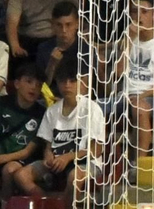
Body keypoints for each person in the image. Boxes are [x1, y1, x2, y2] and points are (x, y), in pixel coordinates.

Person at [31, 59, 106, 199]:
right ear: (58, 83)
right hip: (57, 161)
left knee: (74, 177)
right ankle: (47, 203)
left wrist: (68, 156)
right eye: (63, 81)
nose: (67, 86)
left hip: (87, 162)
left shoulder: (93, 109)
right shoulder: (52, 110)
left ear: (80, 83)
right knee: (21, 175)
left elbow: (97, 150)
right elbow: (48, 145)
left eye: (72, 81)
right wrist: (48, 156)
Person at [0, 61, 48, 197]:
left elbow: (27, 152)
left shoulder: (41, 113)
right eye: (29, 82)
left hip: (19, 159)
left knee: (9, 169)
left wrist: (1, 159)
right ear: (17, 84)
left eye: (38, 85)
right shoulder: (2, 103)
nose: (34, 88)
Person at [119, 0, 154, 158]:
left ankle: (139, 164)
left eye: (144, 12)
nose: (138, 16)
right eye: (134, 12)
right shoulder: (128, 40)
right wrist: (128, 42)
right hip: (125, 96)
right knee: (92, 107)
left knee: (140, 108)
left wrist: (141, 95)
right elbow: (117, 74)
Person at [35, 0, 83, 98]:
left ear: (77, 24)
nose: (64, 30)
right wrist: (51, 64)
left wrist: (63, 103)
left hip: (78, 102)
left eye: (68, 25)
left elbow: (84, 89)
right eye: (59, 25)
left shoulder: (85, 49)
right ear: (52, 25)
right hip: (48, 100)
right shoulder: (44, 48)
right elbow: (39, 88)